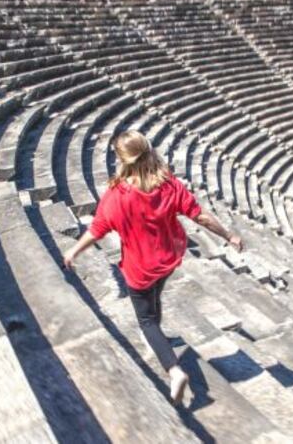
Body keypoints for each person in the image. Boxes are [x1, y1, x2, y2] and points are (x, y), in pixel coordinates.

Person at [63, 130, 243, 405]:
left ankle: (174, 371)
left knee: (145, 321)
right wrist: (229, 235)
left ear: (122, 160)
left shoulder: (116, 196)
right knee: (155, 296)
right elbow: (201, 217)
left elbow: (97, 229)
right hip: (168, 258)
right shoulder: (168, 184)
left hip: (140, 269)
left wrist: (74, 250)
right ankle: (160, 340)